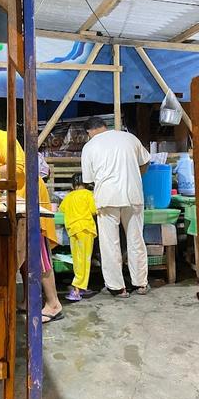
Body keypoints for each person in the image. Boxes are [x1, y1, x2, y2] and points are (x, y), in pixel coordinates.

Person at [0, 110, 63, 323]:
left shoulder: (4, 138)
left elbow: (20, 168)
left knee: (38, 251)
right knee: (25, 255)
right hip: (16, 202)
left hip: (31, 197)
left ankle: (54, 304)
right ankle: (28, 299)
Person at [81, 117, 150, 298]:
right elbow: (146, 161)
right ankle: (141, 283)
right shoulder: (129, 138)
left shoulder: (89, 147)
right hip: (133, 194)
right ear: (105, 126)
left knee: (110, 243)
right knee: (136, 240)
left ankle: (117, 288)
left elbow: (88, 180)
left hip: (107, 198)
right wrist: (134, 176)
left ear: (89, 132)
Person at [59, 174, 97, 302]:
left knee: (77, 260)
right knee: (85, 260)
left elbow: (61, 209)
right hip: (85, 229)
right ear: (86, 183)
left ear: (72, 185)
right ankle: (77, 289)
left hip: (73, 230)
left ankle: (81, 286)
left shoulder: (68, 196)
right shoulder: (88, 194)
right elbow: (94, 210)